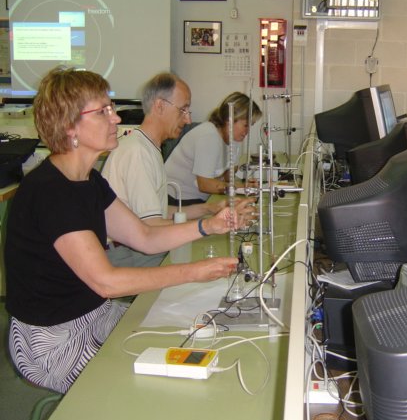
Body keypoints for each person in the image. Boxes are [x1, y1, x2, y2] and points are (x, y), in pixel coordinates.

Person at [5, 67, 245, 394]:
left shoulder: (89, 180)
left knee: (180, 338)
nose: (116, 119)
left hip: (94, 314)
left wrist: (208, 225)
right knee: (146, 389)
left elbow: (144, 236)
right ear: (69, 125)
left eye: (112, 109)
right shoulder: (50, 192)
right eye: (103, 112)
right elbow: (106, 281)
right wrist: (192, 272)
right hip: (51, 340)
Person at [101, 73, 255, 267]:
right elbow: (150, 227)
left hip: (137, 246)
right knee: (207, 257)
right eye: (183, 110)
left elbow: (158, 213)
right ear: (159, 106)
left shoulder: (149, 147)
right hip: (127, 254)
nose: (188, 120)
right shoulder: (137, 152)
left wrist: (211, 209)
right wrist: (207, 226)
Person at [165, 92, 262, 205]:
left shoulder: (234, 138)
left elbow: (228, 176)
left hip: (202, 196)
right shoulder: (208, 137)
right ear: (230, 120)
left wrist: (246, 184)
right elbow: (204, 185)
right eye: (246, 125)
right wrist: (240, 187)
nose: (247, 131)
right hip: (178, 199)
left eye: (251, 125)